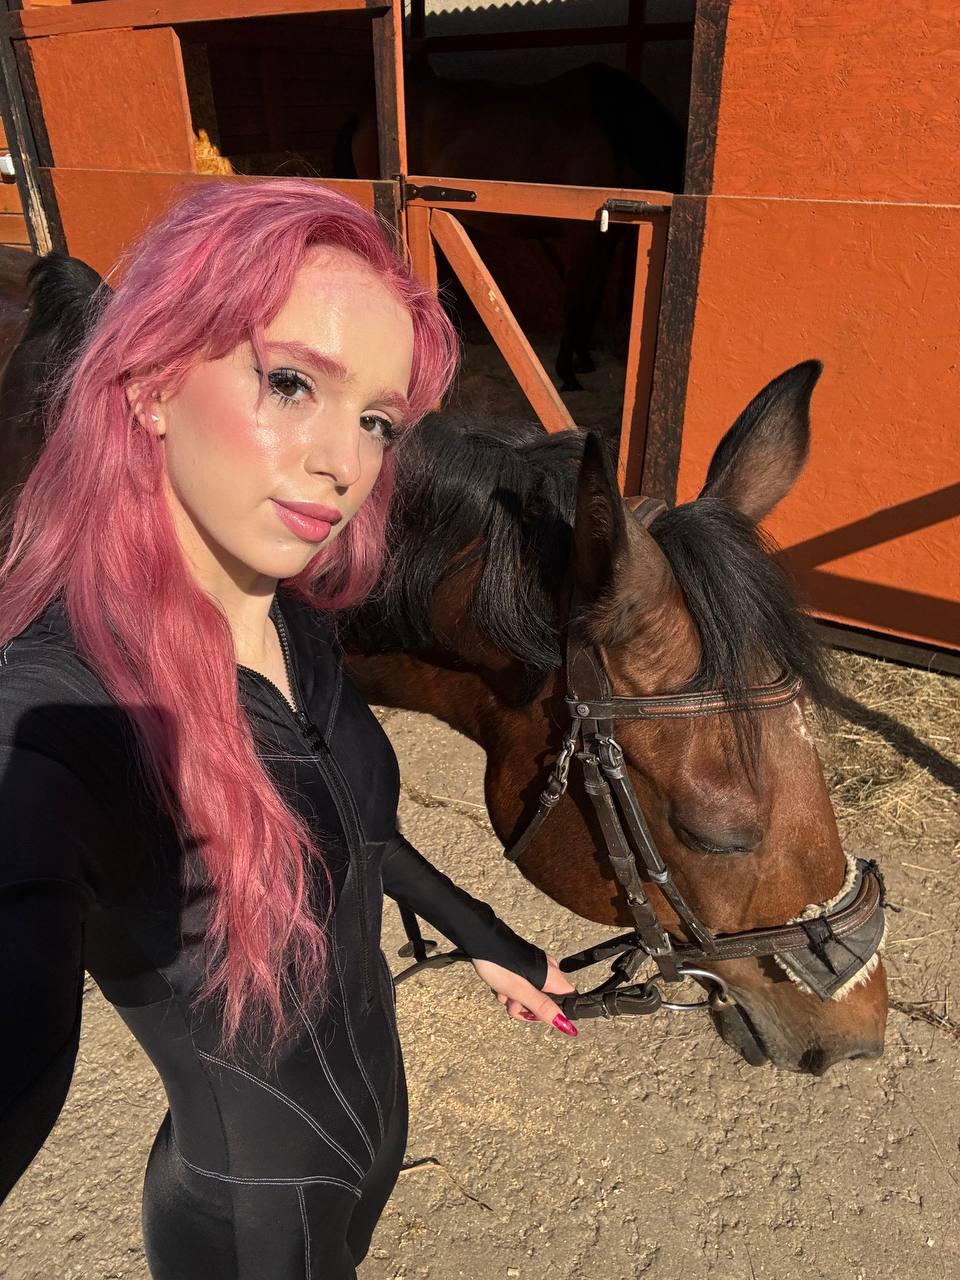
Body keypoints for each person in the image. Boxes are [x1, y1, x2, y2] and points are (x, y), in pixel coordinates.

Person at [0, 178, 577, 1279]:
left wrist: (491, 940)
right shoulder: (64, 709)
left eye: (376, 422)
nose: (343, 466)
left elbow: (351, 828)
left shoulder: (297, 619)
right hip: (250, 1228)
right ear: (153, 381)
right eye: (292, 383)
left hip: (367, 1158)